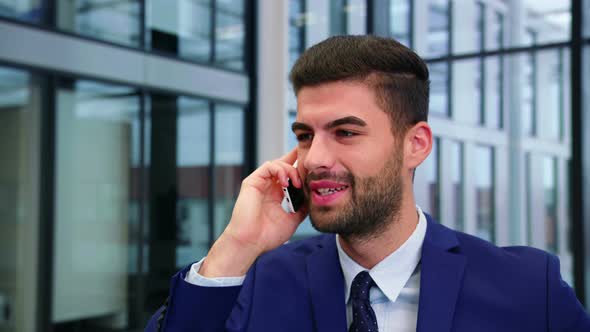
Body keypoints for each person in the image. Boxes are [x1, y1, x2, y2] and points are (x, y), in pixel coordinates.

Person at [145, 35, 590, 332]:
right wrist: (236, 247)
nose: (314, 158)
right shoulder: (255, 284)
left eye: (346, 132)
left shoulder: (531, 287)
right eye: (304, 135)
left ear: (415, 144)